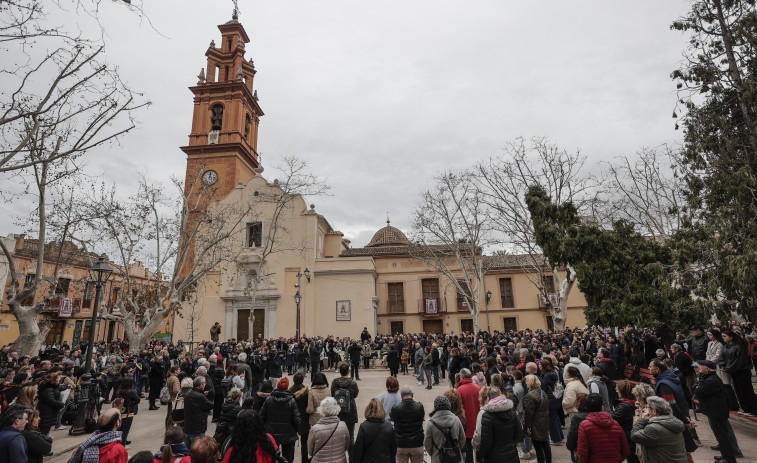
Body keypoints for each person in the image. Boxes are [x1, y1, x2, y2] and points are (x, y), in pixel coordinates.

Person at [693, 359, 739, 463]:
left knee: (723, 437)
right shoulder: (708, 378)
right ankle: (725, 456)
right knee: (720, 436)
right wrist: (698, 386)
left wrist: (697, 386)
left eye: (700, 366)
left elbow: (698, 391)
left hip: (716, 411)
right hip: (714, 410)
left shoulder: (711, 380)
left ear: (707, 369)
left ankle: (729, 459)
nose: (698, 367)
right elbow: (696, 388)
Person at [630, 395, 687, 463]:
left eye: (647, 407)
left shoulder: (653, 428)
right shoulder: (673, 422)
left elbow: (634, 436)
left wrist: (641, 420)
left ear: (654, 411)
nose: (645, 409)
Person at [576, 393, 629, 463]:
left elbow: (583, 450)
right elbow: (626, 449)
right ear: (602, 406)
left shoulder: (584, 426)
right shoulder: (615, 424)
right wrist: (618, 459)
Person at [476, 387, 522, 463]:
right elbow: (516, 434)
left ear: (488, 398)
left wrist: (480, 454)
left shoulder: (487, 415)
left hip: (494, 457)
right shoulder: (512, 412)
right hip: (511, 454)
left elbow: (486, 442)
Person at [260, 376, 299, 463]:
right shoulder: (291, 401)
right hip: (288, 434)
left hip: (271, 434)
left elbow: (262, 416)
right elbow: (296, 418)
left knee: (272, 457)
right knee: (288, 458)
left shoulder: (269, 399)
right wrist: (296, 429)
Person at [722, 329, 757, 416]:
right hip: (733, 371)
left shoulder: (738, 347)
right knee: (738, 391)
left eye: (725, 336)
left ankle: (754, 410)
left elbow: (738, 361)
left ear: (731, 337)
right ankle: (746, 408)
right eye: (722, 336)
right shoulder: (726, 346)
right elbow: (724, 359)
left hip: (741, 371)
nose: (723, 338)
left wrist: (728, 368)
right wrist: (724, 366)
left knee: (746, 390)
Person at [308, 397, 351, 463]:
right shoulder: (343, 426)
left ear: (322, 410)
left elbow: (310, 452)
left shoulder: (315, 429)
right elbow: (346, 447)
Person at [424, 395, 465, 463]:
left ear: (435, 407)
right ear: (449, 405)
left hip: (438, 459)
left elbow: (427, 444)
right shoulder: (456, 420)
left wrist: (435, 454)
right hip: (455, 458)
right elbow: (462, 440)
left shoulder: (431, 423)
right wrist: (454, 449)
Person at [353, 399, 396, 463]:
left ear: (368, 409)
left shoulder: (364, 426)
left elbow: (358, 450)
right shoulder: (388, 425)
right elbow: (393, 449)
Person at [331, 363, 359, 461]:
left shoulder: (335, 382)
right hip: (350, 411)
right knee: (351, 436)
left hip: (338, 411)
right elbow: (355, 395)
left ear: (339, 371)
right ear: (348, 372)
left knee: (338, 437)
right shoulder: (352, 383)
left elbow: (332, 394)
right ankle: (352, 458)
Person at [391, 385, 425, 463]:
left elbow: (392, 418)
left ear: (401, 396)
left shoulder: (396, 408)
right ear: (412, 394)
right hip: (417, 443)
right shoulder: (419, 407)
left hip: (401, 443)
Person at [609, 380, 639, 463]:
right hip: (633, 433)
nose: (616, 391)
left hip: (628, 436)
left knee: (632, 458)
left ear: (622, 391)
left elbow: (613, 419)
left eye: (617, 389)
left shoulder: (623, 407)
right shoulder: (635, 401)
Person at [522, 375, 550, 463]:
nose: (526, 383)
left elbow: (528, 413)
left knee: (538, 446)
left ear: (530, 382)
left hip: (536, 423)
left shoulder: (529, 396)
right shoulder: (542, 392)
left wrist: (527, 426)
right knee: (545, 444)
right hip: (544, 421)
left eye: (526, 381)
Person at [455, 369, 480, 463]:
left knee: (468, 451)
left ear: (462, 377)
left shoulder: (460, 390)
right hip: (477, 423)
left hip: (466, 425)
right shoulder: (478, 387)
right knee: (478, 450)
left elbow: (458, 408)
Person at [538, 357, 563, 445]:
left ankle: (556, 439)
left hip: (550, 399)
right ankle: (560, 437)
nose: (539, 366)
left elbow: (543, 388)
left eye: (540, 365)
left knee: (552, 420)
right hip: (555, 398)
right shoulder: (552, 373)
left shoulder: (546, 376)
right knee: (555, 418)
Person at [184, 376, 214, 447]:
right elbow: (210, 405)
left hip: (188, 426)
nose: (205, 385)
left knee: (188, 448)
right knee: (196, 449)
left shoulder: (188, 394)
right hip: (198, 427)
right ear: (200, 385)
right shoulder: (200, 396)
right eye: (204, 383)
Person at [290, 372, 310, 463]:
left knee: (291, 443)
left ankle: (290, 459)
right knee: (304, 442)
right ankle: (304, 460)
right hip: (304, 419)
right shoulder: (306, 391)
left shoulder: (290, 391)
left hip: (292, 419)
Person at [113, 377, 140, 446]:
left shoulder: (119, 391)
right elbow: (138, 400)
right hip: (128, 414)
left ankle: (121, 443)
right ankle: (122, 447)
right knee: (124, 433)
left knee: (119, 432)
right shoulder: (131, 392)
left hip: (120, 413)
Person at [36, 371, 64, 435]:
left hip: (50, 411)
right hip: (46, 411)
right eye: (58, 378)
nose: (59, 379)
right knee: (44, 428)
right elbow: (51, 400)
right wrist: (61, 404)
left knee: (47, 428)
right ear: (54, 380)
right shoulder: (48, 389)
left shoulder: (53, 386)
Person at [565, 393, 588, 463]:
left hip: (581, 449)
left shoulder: (577, 418)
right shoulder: (595, 414)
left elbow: (573, 434)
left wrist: (569, 446)